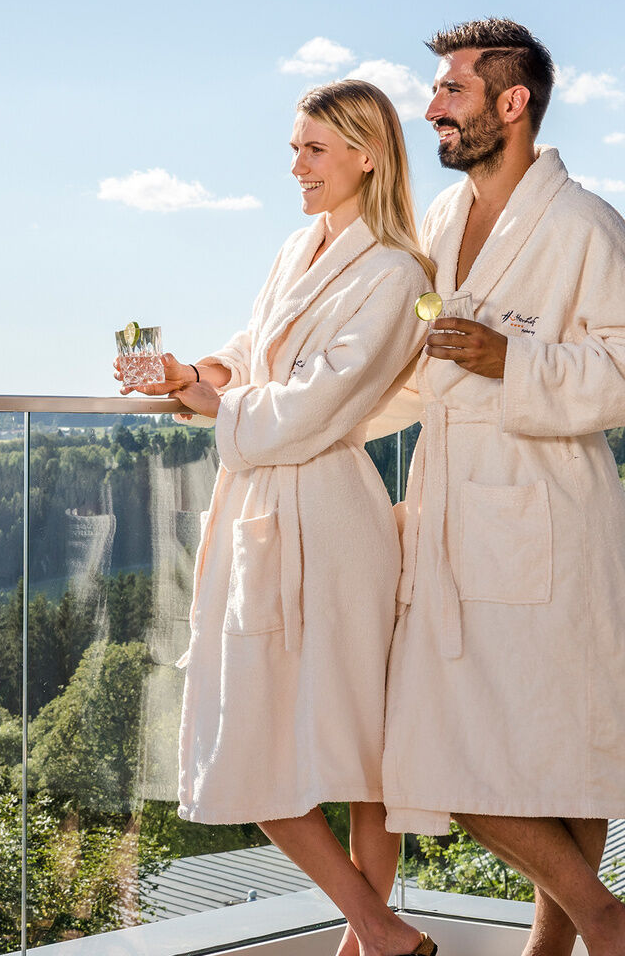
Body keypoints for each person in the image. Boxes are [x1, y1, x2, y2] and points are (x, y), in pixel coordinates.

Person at [117, 78, 437, 956]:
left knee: (362, 761)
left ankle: (370, 941)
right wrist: (193, 373)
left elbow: (314, 405)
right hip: (263, 509)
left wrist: (213, 400)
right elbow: (255, 356)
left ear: (366, 155)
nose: (295, 165)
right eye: (295, 148)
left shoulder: (396, 272)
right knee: (246, 739)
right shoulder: (298, 248)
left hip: (330, 520)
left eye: (313, 150)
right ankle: (379, 932)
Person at [381, 19, 625, 956]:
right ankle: (604, 926)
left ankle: (587, 933)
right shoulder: (440, 223)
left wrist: (521, 361)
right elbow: (402, 356)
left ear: (512, 105)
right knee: (455, 750)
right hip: (453, 504)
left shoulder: (584, 223)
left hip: (544, 506)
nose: (430, 108)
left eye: (451, 93)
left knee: (551, 757)